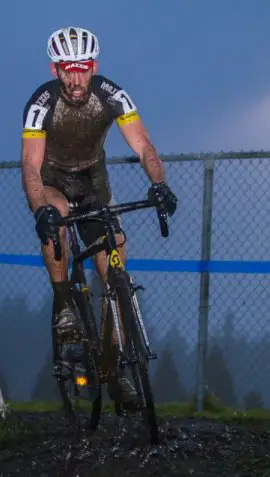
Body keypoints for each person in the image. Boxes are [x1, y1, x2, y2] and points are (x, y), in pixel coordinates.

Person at [20, 26, 177, 409]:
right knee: (55, 215)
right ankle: (63, 305)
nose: (76, 79)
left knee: (115, 259)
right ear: (54, 69)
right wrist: (40, 207)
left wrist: (159, 184)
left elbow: (144, 146)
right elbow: (30, 166)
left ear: (95, 66)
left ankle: (117, 369)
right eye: (67, 70)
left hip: (93, 182)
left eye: (83, 68)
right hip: (52, 180)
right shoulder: (42, 102)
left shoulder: (111, 94)